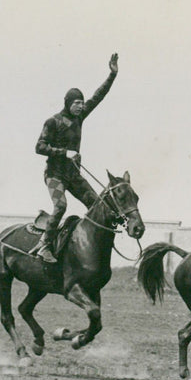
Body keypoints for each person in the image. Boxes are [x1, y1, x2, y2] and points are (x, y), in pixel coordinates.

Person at [31, 53, 119, 263]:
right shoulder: (53, 121)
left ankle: (90, 251)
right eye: (77, 103)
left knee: (99, 206)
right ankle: (44, 246)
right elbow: (39, 147)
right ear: (68, 103)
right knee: (61, 206)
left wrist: (112, 75)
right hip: (55, 175)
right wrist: (64, 152)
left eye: (82, 103)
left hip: (73, 175)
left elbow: (98, 96)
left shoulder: (79, 117)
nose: (81, 106)